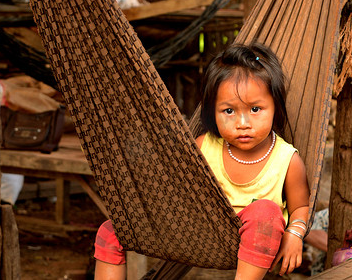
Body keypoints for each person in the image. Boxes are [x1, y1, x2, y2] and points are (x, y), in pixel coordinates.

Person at [93, 43, 310, 280]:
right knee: (113, 230)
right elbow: (181, 195)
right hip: (203, 234)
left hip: (258, 239)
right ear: (212, 112)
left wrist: (294, 235)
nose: (243, 123)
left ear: (275, 108)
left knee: (265, 211)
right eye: (229, 111)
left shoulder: (287, 160)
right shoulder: (204, 146)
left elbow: (300, 207)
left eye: (255, 109)